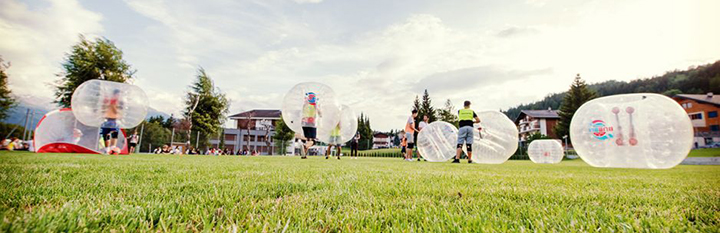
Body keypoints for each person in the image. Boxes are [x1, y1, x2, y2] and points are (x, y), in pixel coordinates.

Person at [100, 89, 124, 155]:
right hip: (108, 119)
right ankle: (108, 148)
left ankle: (111, 147)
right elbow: (105, 109)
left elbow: (117, 112)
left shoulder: (117, 102)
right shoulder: (109, 101)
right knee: (107, 134)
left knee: (113, 133)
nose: (119, 96)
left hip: (113, 119)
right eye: (118, 94)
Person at [300, 92, 322, 159]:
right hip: (312, 123)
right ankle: (305, 146)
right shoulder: (314, 106)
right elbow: (320, 114)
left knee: (308, 139)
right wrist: (317, 106)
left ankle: (304, 155)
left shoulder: (304, 105)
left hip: (304, 123)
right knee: (313, 141)